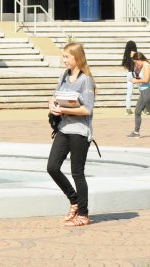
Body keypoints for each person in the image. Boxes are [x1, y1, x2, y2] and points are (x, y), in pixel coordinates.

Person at [46, 42, 96, 227]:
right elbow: (55, 95)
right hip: (64, 129)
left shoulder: (86, 80)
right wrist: (52, 104)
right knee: (52, 167)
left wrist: (66, 111)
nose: (64, 59)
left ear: (77, 58)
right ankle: (74, 200)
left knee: (77, 173)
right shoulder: (64, 76)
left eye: (67, 56)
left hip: (80, 132)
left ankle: (83, 214)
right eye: (64, 56)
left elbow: (87, 110)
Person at [122, 40, 138, 115]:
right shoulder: (135, 54)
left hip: (128, 74)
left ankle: (128, 109)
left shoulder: (126, 55)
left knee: (129, 93)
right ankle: (144, 108)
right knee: (142, 91)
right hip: (135, 74)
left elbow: (126, 66)